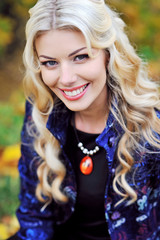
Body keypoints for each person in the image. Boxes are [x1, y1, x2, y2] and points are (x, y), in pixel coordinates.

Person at [8, 0, 160, 239]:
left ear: (108, 55)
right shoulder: (41, 111)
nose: (66, 79)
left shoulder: (152, 125)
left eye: (80, 57)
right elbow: (35, 217)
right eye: (50, 63)